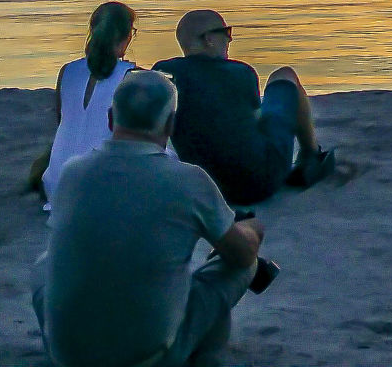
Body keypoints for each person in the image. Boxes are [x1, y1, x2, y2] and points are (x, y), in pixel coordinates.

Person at [33, 69, 269, 367]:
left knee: (45, 263)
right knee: (241, 266)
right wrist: (251, 229)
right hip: (148, 357)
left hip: (69, 358)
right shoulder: (189, 181)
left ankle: (66, 340)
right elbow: (239, 256)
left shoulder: (73, 173)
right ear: (170, 124)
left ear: (110, 118)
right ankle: (204, 356)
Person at [154, 10, 333, 205]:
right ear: (209, 39)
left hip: (204, 186)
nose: (229, 40)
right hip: (261, 183)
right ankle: (310, 155)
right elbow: (257, 124)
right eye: (226, 32)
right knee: (284, 75)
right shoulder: (240, 72)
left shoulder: (163, 73)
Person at [40, 2, 141, 212]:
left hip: (59, 184)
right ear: (127, 36)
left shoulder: (68, 70)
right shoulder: (133, 75)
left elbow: (62, 120)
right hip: (102, 187)